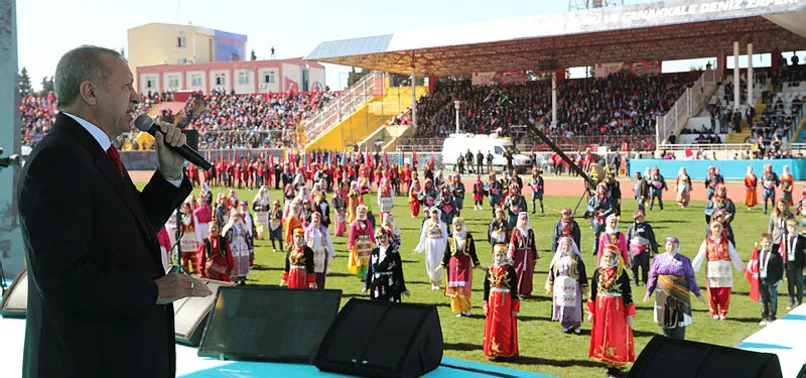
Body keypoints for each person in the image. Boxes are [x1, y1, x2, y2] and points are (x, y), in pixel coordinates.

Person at [17, 45, 212, 378]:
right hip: (88, 362)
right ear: (90, 92)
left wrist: (168, 175)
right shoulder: (59, 159)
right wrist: (154, 290)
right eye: (126, 86)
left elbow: (129, 230)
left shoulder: (91, 150)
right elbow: (62, 278)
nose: (136, 98)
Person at [587, 244, 636, 377]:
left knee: (616, 335)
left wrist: (629, 314)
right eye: (606, 256)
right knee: (604, 335)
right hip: (601, 308)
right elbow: (592, 292)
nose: (608, 259)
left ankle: (617, 365)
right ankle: (609, 365)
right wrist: (591, 311)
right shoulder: (598, 272)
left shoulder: (621, 273)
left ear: (615, 258)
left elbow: (627, 294)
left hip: (617, 309)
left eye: (610, 257)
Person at [644, 237, 706, 340]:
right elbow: (653, 277)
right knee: (665, 319)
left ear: (678, 246)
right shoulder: (658, 259)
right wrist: (649, 292)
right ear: (665, 245)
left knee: (679, 322)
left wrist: (698, 293)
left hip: (680, 296)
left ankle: (679, 341)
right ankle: (667, 340)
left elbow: (690, 278)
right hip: (663, 295)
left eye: (674, 245)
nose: (671, 247)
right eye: (668, 244)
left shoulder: (684, 260)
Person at [693, 222, 746, 320]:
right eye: (714, 227)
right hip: (712, 270)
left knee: (724, 291)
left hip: (725, 270)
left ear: (722, 229)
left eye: (719, 227)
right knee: (712, 292)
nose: (716, 229)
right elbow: (700, 255)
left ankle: (723, 312)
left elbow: (734, 255)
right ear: (711, 229)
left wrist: (743, 267)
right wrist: (692, 269)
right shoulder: (707, 242)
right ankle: (714, 312)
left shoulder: (727, 242)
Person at [436, 218, 482, 317]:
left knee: (464, 287)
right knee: (454, 288)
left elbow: (473, 252)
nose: (458, 227)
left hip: (465, 263)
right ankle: (458, 310)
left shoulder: (468, 236)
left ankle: (467, 308)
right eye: (456, 225)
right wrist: (441, 265)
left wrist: (477, 264)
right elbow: (447, 253)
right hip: (453, 264)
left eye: (459, 224)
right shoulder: (450, 237)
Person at [483, 244, 520, 359]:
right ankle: (493, 350)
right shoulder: (490, 269)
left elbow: (514, 288)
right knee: (493, 325)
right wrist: (485, 303)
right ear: (494, 255)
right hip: (492, 300)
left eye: (502, 255)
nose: (499, 258)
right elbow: (486, 287)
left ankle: (504, 350)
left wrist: (515, 306)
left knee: (504, 325)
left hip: (505, 301)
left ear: (505, 256)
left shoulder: (510, 269)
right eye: (497, 255)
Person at [545, 236, 588, 334]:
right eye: (564, 245)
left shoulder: (577, 259)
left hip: (574, 285)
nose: (566, 247)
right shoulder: (557, 259)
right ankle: (565, 324)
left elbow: (582, 273)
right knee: (563, 306)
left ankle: (576, 325)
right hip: (561, 286)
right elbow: (552, 271)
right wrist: (550, 284)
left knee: (575, 306)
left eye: (568, 245)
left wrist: (584, 286)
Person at [745, 234, 784, 325]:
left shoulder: (775, 254)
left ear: (772, 243)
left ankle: (772, 316)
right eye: (765, 242)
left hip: (772, 280)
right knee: (763, 299)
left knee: (772, 298)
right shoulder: (758, 253)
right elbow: (754, 265)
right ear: (761, 242)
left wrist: (780, 279)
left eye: (769, 242)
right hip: (760, 280)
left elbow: (781, 268)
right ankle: (764, 316)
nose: (767, 244)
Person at [363, 228, 410, 302]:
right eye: (380, 237)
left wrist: (402, 288)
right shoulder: (374, 252)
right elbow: (370, 269)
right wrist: (367, 285)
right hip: (376, 284)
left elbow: (399, 271)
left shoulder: (394, 252)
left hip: (390, 284)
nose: (382, 239)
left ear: (389, 238)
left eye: (385, 237)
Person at [413, 207, 449, 290]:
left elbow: (445, 236)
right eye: (433, 213)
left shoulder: (441, 224)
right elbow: (423, 235)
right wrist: (418, 248)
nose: (434, 215)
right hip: (430, 243)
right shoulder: (427, 223)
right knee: (430, 262)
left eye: (436, 213)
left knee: (439, 262)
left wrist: (447, 248)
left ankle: (438, 282)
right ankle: (433, 282)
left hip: (439, 243)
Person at [508, 212, 539, 298]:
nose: (524, 221)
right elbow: (512, 244)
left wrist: (535, 256)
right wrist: (511, 257)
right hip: (519, 255)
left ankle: (526, 291)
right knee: (518, 271)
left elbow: (533, 244)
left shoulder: (530, 232)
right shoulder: (516, 232)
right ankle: (517, 290)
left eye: (525, 219)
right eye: (522, 219)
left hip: (528, 255)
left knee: (528, 272)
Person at [776, 219, 805, 309]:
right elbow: (781, 252)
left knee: (799, 283)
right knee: (790, 283)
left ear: (797, 228)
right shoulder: (784, 239)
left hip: (799, 266)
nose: (792, 229)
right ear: (787, 228)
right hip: (788, 266)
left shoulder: (802, 240)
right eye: (790, 227)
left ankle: (799, 301)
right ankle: (790, 300)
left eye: (794, 227)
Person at [627, 210, 658, 286]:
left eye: (643, 217)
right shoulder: (631, 227)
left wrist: (654, 249)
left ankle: (645, 281)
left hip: (644, 249)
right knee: (634, 266)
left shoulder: (647, 227)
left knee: (645, 266)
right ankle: (635, 282)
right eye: (640, 217)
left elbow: (652, 238)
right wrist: (625, 249)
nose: (642, 218)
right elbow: (627, 238)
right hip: (634, 250)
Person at [223, 208, 252, 286]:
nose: (236, 218)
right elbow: (225, 238)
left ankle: (242, 279)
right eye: (234, 216)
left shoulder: (243, 226)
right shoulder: (228, 227)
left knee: (243, 261)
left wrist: (250, 247)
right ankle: (234, 279)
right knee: (234, 262)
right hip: (233, 247)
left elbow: (248, 236)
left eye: (237, 216)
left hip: (242, 247)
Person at [306, 212, 335, 289]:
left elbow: (328, 241)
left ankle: (320, 288)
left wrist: (332, 252)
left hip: (321, 254)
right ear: (311, 220)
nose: (316, 220)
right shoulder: (308, 230)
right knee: (311, 272)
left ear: (320, 220)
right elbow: (305, 241)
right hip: (311, 254)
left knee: (320, 274)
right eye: (314, 218)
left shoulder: (324, 230)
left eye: (317, 218)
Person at [347, 204, 376, 280]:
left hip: (367, 243)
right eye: (360, 212)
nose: (362, 213)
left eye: (363, 212)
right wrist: (350, 244)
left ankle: (366, 274)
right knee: (359, 259)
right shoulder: (354, 224)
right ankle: (361, 275)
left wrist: (375, 241)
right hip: (358, 244)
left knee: (367, 259)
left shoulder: (368, 222)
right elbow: (352, 235)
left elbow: (371, 233)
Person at [587, 183, 615, 255]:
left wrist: (604, 213)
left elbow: (611, 208)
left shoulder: (608, 199)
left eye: (603, 189)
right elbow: (589, 206)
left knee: (608, 233)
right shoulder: (595, 198)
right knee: (597, 233)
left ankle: (608, 247)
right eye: (600, 189)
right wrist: (594, 211)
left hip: (606, 218)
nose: (601, 190)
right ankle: (595, 248)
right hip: (597, 217)